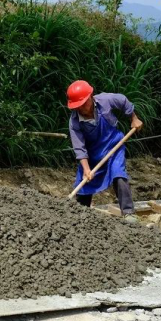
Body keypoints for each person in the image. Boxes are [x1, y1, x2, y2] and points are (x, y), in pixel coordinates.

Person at [67, 80, 144, 222]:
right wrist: (86, 169)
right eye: (78, 106)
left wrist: (134, 118)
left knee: (118, 174)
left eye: (84, 103)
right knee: (84, 183)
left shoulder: (105, 100)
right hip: (92, 154)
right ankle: (80, 216)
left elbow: (122, 100)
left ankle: (128, 213)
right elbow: (79, 147)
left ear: (91, 96)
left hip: (113, 146)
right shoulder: (74, 121)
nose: (82, 108)